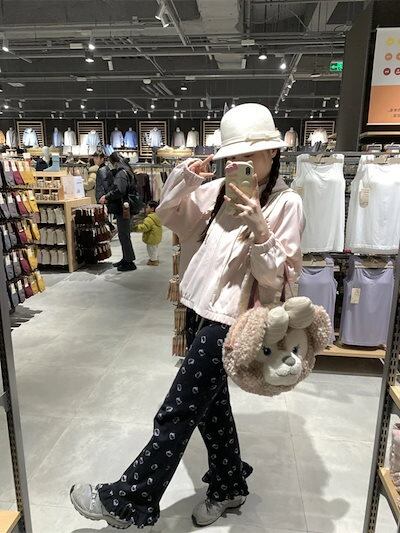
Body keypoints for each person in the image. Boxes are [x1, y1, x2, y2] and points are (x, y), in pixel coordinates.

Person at [70, 103, 304, 529]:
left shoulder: (286, 204)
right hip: (197, 308)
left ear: (273, 152)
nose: (239, 164)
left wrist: (259, 227)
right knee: (212, 409)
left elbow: (275, 278)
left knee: (176, 412)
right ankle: (229, 484)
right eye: (232, 156)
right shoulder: (217, 192)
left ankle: (129, 499)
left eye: (249, 155)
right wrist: (187, 177)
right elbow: (169, 216)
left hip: (231, 322)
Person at [99, 152, 138, 272]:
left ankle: (129, 261)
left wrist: (107, 196)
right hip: (126, 207)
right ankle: (126, 258)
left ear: (113, 162)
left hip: (124, 208)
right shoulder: (127, 170)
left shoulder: (121, 173)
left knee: (124, 235)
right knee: (124, 234)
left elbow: (120, 190)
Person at [132, 201, 163, 266]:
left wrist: (136, 227)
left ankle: (154, 261)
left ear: (152, 208)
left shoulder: (149, 219)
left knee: (151, 250)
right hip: (156, 236)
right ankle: (154, 259)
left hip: (151, 237)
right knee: (154, 249)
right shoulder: (157, 216)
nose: (145, 209)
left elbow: (144, 227)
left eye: (147, 207)